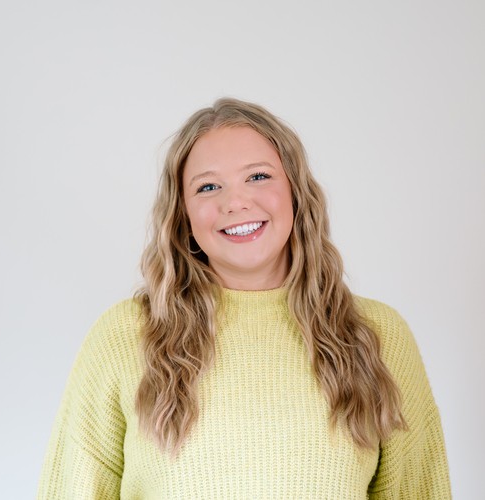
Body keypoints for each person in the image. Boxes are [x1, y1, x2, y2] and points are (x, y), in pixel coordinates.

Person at [37, 98, 451, 499]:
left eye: (257, 177)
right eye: (208, 186)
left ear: (296, 191)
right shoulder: (124, 337)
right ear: (183, 215)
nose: (235, 202)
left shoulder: (377, 336)